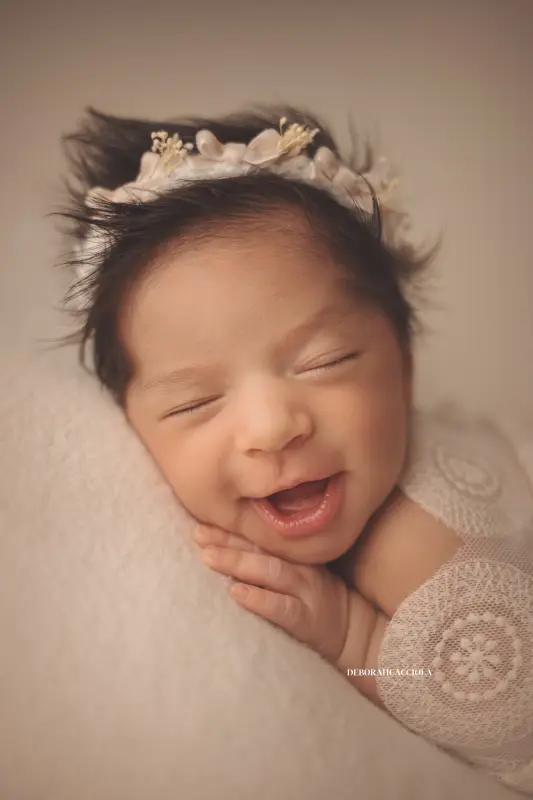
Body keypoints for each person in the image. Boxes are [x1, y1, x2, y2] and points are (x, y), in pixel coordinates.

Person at [56, 105, 533, 793]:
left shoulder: (409, 541)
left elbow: (513, 706)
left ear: (403, 365)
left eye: (323, 361)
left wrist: (354, 641)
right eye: (195, 402)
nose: (272, 427)